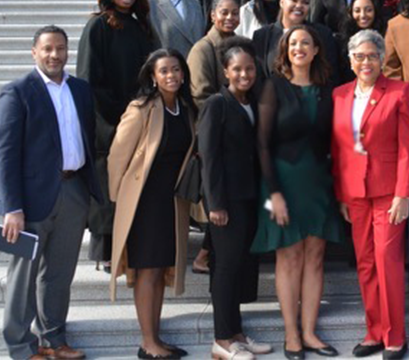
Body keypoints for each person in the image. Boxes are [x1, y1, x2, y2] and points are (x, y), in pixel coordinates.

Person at [0, 26, 101, 360]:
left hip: (73, 192)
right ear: (34, 52)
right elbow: (5, 154)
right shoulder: (17, 91)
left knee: (59, 274)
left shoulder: (81, 90)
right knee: (23, 276)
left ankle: (54, 339)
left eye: (60, 48)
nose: (54, 55)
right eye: (47, 49)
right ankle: (21, 347)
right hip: (30, 200)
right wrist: (12, 207)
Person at [251, 25, 345, 360]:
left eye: (306, 42)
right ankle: (291, 334)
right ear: (285, 49)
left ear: (317, 49)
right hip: (281, 182)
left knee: (315, 258)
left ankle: (309, 332)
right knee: (289, 257)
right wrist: (273, 193)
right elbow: (261, 144)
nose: (299, 47)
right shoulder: (272, 86)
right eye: (293, 43)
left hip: (318, 182)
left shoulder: (327, 90)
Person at [331, 29, 409, 360]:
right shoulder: (340, 95)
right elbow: (338, 149)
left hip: (388, 192)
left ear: (382, 59)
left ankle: (395, 336)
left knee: (387, 261)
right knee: (365, 263)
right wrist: (341, 194)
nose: (365, 61)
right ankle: (373, 332)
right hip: (354, 193)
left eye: (372, 55)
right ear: (350, 60)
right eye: (359, 56)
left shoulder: (399, 92)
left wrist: (404, 194)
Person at [107, 49, 196, 359]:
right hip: (143, 203)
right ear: (153, 77)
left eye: (176, 69)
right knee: (147, 270)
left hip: (172, 203)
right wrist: (117, 202)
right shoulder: (141, 108)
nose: (171, 75)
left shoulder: (187, 108)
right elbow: (117, 156)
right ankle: (148, 342)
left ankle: (155, 337)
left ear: (184, 74)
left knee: (160, 270)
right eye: (164, 71)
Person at [76, 0, 157, 270]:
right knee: (108, 185)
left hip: (138, 115)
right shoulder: (97, 26)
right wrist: (114, 120)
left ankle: (129, 244)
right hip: (107, 119)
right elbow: (88, 77)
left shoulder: (140, 27)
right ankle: (107, 251)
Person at [199, 39, 273, 360]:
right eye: (237, 69)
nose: (245, 74)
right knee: (225, 269)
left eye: (250, 68)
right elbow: (209, 157)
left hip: (249, 198)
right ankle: (222, 340)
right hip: (225, 202)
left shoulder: (252, 101)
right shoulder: (217, 104)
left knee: (240, 266)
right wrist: (215, 203)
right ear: (226, 71)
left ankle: (237, 332)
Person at [252, 0, 340, 84]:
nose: (299, 6)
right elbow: (258, 76)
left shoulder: (323, 34)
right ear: (282, 2)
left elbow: (332, 74)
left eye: (305, 2)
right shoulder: (262, 35)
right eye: (294, 0)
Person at [188, 0, 240, 109]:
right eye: (224, 13)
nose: (230, 17)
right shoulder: (201, 49)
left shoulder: (242, 46)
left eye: (235, 13)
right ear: (213, 15)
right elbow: (200, 96)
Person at [336, 0, 388, 83]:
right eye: (357, 11)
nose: (363, 15)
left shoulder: (386, 36)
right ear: (350, 13)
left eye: (368, 10)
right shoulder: (341, 41)